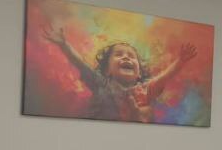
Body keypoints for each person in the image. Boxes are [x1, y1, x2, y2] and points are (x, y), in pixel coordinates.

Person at [41, 24, 197, 123]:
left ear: (139, 74)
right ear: (107, 70)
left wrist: (180, 61)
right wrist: (64, 45)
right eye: (119, 54)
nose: (126, 57)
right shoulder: (102, 84)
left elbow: (166, 76)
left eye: (131, 56)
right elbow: (81, 64)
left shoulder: (144, 89)